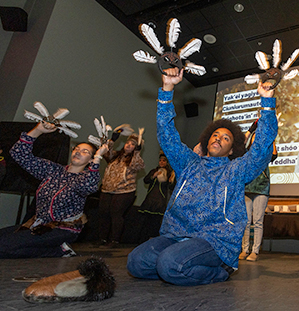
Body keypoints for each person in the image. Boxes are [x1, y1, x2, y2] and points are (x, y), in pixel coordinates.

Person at [127, 68, 277, 286]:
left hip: (215, 241)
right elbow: (167, 136)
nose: (218, 139)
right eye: (215, 135)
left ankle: (220, 272)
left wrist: (267, 103)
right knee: (136, 263)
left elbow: (262, 149)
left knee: (169, 264)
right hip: (175, 235)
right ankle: (177, 267)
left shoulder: (236, 170)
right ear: (207, 140)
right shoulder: (188, 163)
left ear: (232, 149)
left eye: (225, 138)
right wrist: (167, 89)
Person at [0, 122, 107, 258]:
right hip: (38, 225)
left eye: (85, 152)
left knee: (3, 246)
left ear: (91, 160)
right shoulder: (53, 170)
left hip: (63, 229)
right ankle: (55, 249)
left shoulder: (84, 177)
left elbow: (89, 186)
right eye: (77, 149)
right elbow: (19, 154)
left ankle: (59, 251)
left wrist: (98, 158)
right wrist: (38, 130)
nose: (79, 152)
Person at [239, 119, 277, 262]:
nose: (257, 138)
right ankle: (245, 249)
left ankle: (255, 251)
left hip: (261, 188)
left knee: (258, 221)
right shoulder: (245, 153)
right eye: (255, 136)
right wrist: (250, 130)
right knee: (246, 221)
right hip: (247, 187)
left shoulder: (266, 151)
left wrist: (270, 137)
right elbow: (242, 140)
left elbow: (274, 154)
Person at [97, 132, 145, 248]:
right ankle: (102, 238)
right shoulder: (115, 156)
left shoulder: (135, 159)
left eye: (132, 144)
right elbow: (105, 153)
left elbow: (137, 165)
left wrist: (137, 151)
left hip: (124, 191)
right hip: (107, 190)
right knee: (104, 213)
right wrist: (112, 140)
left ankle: (114, 240)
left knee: (116, 214)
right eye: (127, 143)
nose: (128, 145)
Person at [137, 152, 176, 243]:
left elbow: (171, 187)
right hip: (150, 199)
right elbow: (146, 180)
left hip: (160, 201)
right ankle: (142, 241)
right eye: (160, 160)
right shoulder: (153, 171)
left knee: (155, 222)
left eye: (164, 161)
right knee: (145, 221)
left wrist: (171, 181)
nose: (162, 162)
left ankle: (152, 241)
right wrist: (153, 176)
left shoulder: (170, 173)